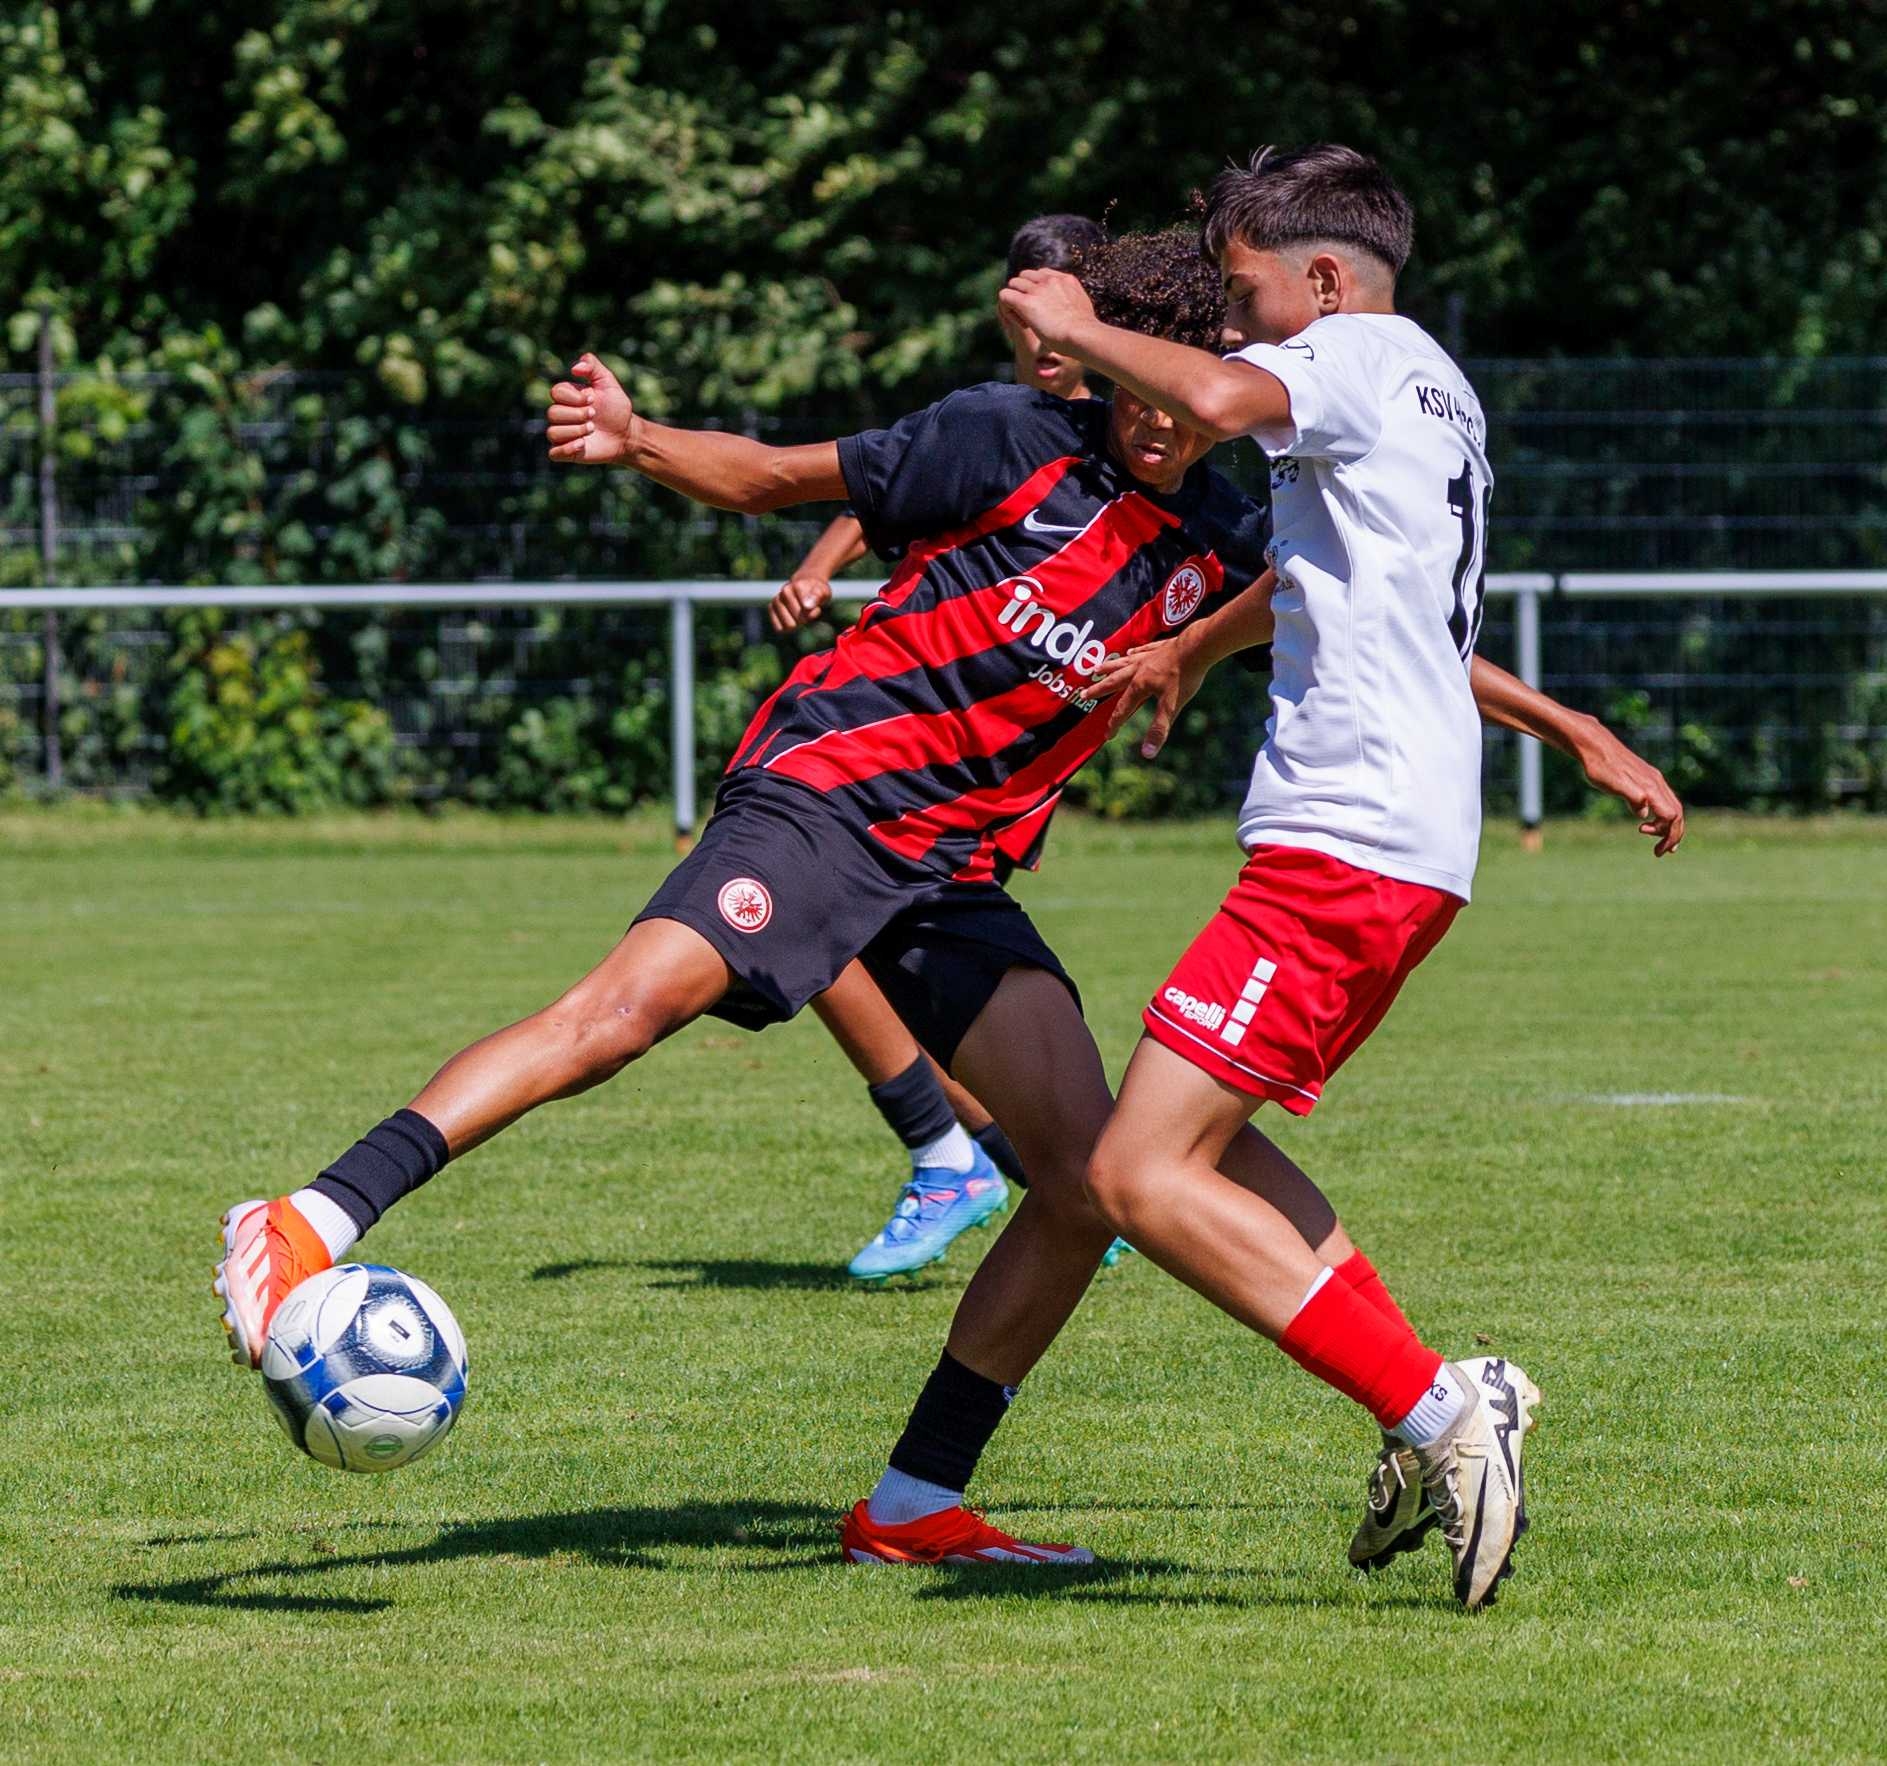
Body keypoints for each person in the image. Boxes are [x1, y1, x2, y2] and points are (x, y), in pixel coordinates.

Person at [214, 236, 1277, 1585]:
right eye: (1141, 389)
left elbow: (1362, 612)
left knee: (1083, 1179)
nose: (1164, 422)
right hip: (829, 793)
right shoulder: (1006, 437)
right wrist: (637, 438)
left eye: (1190, 396)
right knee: (617, 1015)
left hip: (949, 870)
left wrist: (1520, 712)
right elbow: (776, 476)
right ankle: (307, 1218)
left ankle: (914, 1502)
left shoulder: (1224, 533)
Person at [840, 146, 1684, 1609]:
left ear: (1324, 281)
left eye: (1240, 296)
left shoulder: (1345, 354)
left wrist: (1075, 324)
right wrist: (1187, 645)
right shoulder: (1429, 384)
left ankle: (1440, 1405)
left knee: (1128, 1173)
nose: (1227, 330)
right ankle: (1426, 1402)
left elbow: (1219, 401)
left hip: (1345, 842)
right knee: (1189, 1146)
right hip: (1384, 840)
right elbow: (1322, 580)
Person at [766, 213, 1116, 1283]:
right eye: (1026, 309)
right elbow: (880, 488)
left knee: (834, 935)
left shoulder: (1126, 434)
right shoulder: (986, 422)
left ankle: (977, 1163)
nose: (1044, 336)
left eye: (1066, 309)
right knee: (860, 950)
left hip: (978, 767)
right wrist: (821, 564)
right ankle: (1037, 1170)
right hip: (918, 745)